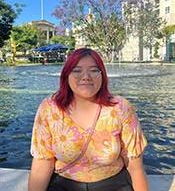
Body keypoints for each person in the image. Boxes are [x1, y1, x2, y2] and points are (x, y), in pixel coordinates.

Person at [28, 48, 149, 191]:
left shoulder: (120, 108)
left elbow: (134, 165)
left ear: (102, 75)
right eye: (77, 70)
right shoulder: (50, 108)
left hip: (113, 184)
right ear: (66, 75)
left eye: (93, 70)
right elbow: (43, 163)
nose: (86, 76)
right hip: (64, 184)